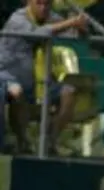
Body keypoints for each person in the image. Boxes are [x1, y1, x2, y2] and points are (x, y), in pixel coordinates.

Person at [0, 0, 87, 155]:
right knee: (16, 91)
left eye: (47, 4)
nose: (43, 8)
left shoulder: (52, 17)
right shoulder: (17, 18)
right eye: (39, 3)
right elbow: (37, 34)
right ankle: (23, 142)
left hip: (38, 77)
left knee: (69, 92)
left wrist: (81, 29)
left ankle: (50, 142)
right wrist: (70, 22)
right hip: (8, 74)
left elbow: (75, 35)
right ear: (29, 2)